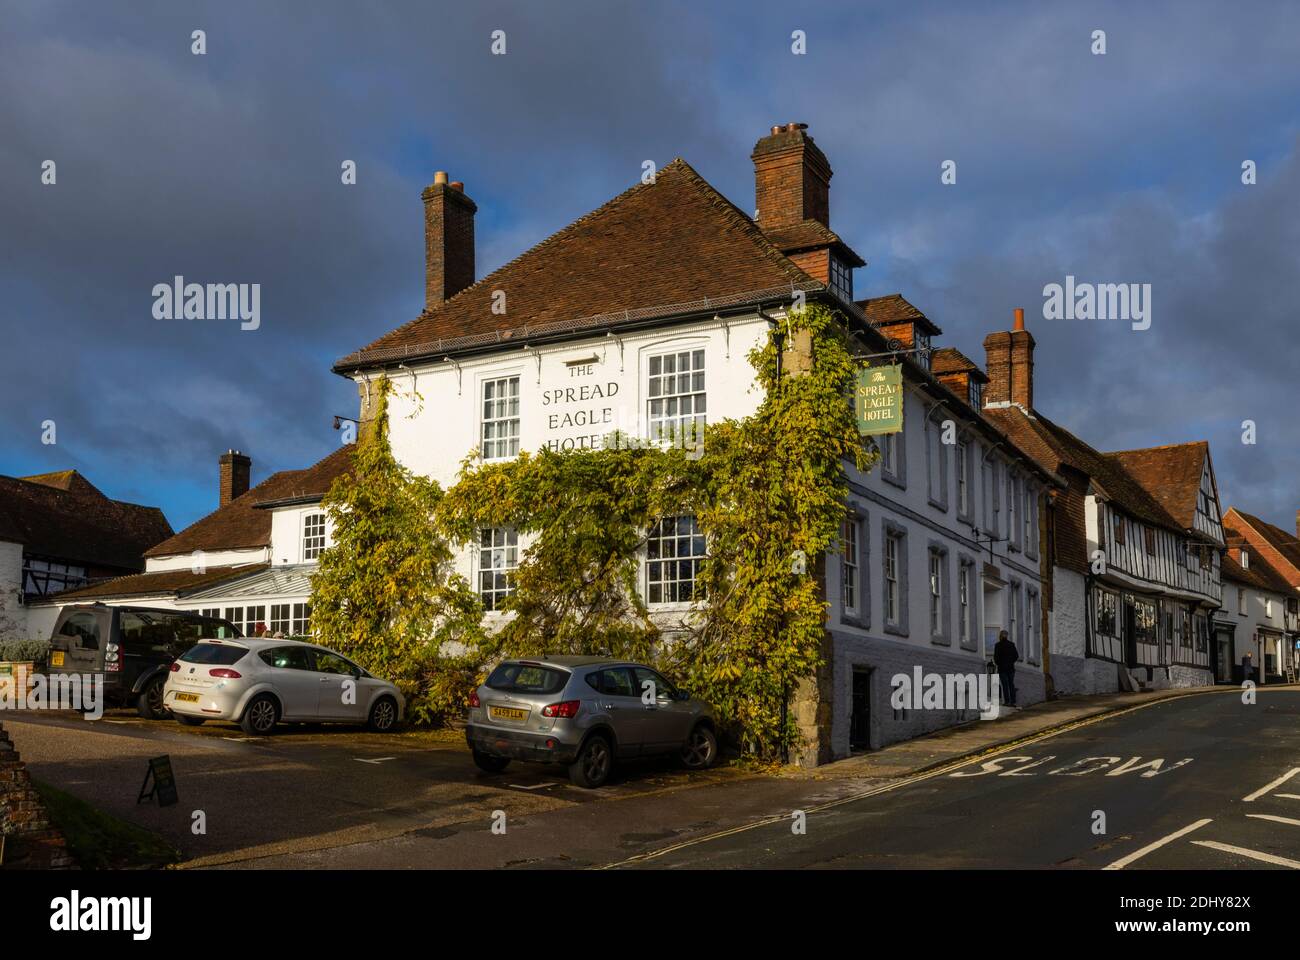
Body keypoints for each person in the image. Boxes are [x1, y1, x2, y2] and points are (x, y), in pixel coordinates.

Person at [993, 629, 1020, 707]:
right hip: (1010, 668)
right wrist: (1011, 662)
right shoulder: (1011, 644)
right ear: (1007, 636)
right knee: (1011, 684)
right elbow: (1016, 656)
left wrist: (999, 663)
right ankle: (1013, 701)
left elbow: (996, 657)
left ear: (1000, 636)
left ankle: (1007, 701)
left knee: (1005, 685)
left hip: (1002, 668)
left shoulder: (997, 645)